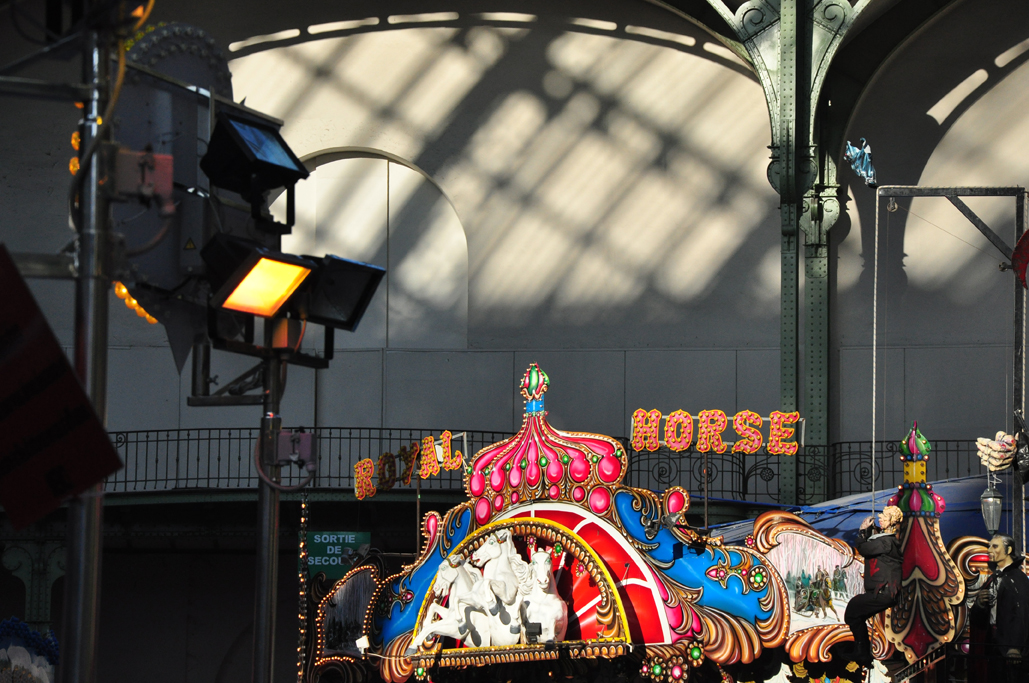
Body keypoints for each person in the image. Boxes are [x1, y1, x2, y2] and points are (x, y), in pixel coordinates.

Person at [842, 505, 903, 667]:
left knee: (853, 611)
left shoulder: (887, 542)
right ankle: (862, 652)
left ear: (891, 522)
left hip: (883, 592)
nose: (880, 518)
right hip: (884, 592)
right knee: (857, 614)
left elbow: (865, 549)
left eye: (884, 516)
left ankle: (861, 651)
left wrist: (862, 531)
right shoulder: (888, 541)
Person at [972, 534, 1029, 682]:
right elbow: (981, 616)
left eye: (995, 546)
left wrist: (1015, 646)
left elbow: (1021, 613)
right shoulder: (993, 578)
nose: (989, 550)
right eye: (989, 546)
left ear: (1008, 549)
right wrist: (979, 604)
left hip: (1010, 648)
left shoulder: (1017, 579)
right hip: (993, 644)